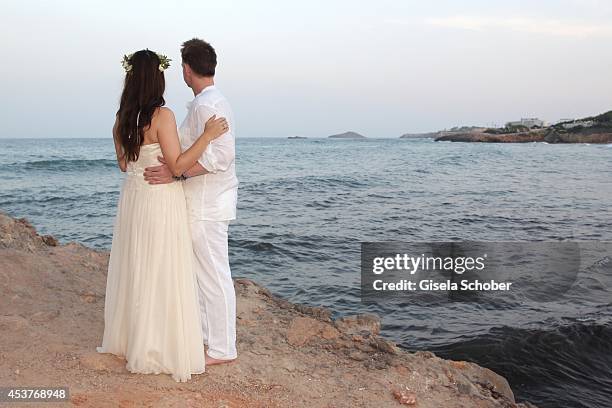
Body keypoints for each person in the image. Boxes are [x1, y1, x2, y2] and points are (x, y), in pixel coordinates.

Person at [96, 48, 229, 382]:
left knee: (138, 265)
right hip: (159, 201)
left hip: (133, 199)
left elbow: (125, 165)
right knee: (162, 268)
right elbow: (179, 166)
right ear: (157, 78)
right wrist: (207, 136)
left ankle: (133, 338)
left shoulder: (121, 118)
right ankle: (156, 343)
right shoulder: (163, 116)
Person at [144, 38, 239, 365]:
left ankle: (222, 349)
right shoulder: (210, 101)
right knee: (203, 274)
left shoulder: (205, 105)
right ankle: (206, 340)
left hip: (206, 204)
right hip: (204, 202)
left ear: (187, 69)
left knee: (214, 275)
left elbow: (223, 156)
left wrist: (178, 174)